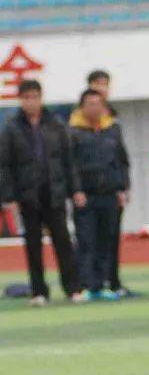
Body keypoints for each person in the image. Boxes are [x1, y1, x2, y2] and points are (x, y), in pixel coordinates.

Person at [0, 79, 84, 306]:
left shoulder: (55, 124)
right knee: (33, 244)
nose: (31, 102)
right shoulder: (12, 128)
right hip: (28, 194)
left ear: (41, 97)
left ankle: (73, 288)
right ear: (20, 100)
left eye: (35, 97)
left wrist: (75, 189)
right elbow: (5, 165)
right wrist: (8, 197)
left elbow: (68, 160)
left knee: (63, 241)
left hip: (54, 190)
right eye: (26, 98)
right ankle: (39, 291)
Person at [68, 88, 130, 301]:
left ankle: (105, 283)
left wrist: (123, 187)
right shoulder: (74, 132)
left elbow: (122, 160)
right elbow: (70, 165)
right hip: (86, 195)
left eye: (98, 103)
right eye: (90, 104)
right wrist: (76, 189)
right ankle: (87, 285)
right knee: (86, 241)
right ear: (82, 107)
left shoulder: (112, 129)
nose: (95, 108)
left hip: (110, 193)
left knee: (108, 240)